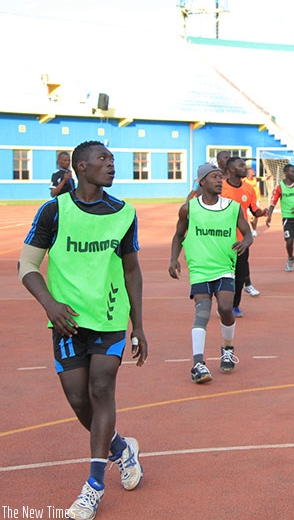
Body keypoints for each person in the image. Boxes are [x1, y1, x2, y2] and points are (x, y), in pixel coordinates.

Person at [19, 140, 147, 519]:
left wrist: (138, 324)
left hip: (109, 317)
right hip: (67, 322)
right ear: (81, 167)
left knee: (101, 388)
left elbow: (131, 270)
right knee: (79, 402)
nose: (111, 164)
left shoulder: (124, 212)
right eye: (103, 159)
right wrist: (51, 305)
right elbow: (27, 266)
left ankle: (93, 486)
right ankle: (121, 448)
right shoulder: (53, 212)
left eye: (112, 158)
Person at [170, 163, 253, 384]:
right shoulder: (189, 208)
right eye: (214, 177)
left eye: (221, 177)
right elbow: (179, 235)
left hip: (225, 267)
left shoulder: (232, 207)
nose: (219, 180)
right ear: (202, 181)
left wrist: (245, 242)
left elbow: (248, 233)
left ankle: (227, 349)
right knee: (203, 313)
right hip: (199, 270)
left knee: (226, 309)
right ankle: (198, 363)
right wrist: (173, 260)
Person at [221, 157, 267, 312]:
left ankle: (234, 305)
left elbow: (254, 210)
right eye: (241, 166)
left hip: (241, 240)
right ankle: (222, 304)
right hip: (221, 239)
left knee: (240, 276)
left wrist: (263, 212)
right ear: (231, 169)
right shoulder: (220, 188)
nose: (245, 168)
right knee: (223, 275)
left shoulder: (248, 188)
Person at [243, 167, 262, 237]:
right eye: (252, 171)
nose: (254, 172)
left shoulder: (255, 179)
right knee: (249, 217)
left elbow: (263, 179)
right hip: (247, 199)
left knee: (255, 215)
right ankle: (246, 230)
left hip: (256, 199)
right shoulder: (244, 180)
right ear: (248, 173)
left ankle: (254, 230)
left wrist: (268, 177)